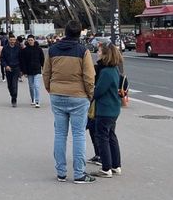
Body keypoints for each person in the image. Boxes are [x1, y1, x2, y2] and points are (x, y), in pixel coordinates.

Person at [43, 19, 96, 183]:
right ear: (79, 33)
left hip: (57, 94)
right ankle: (79, 173)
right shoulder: (83, 51)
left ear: (64, 32)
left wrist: (50, 89)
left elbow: (46, 73)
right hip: (78, 96)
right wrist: (90, 94)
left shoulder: (52, 50)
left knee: (60, 134)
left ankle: (61, 172)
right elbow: (89, 77)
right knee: (79, 135)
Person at [91, 42, 124, 177]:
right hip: (113, 108)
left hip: (105, 109)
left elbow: (99, 92)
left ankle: (106, 168)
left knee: (102, 138)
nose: (97, 53)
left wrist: (92, 91)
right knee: (111, 136)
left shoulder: (105, 72)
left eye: (99, 51)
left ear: (105, 54)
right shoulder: (115, 69)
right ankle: (116, 165)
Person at [20, 34, 45, 106]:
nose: (30, 41)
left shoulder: (39, 49)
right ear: (27, 41)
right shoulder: (24, 50)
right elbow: (23, 61)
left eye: (31, 40)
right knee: (31, 86)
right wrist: (24, 71)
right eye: (29, 40)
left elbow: (42, 59)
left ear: (34, 40)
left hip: (37, 69)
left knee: (37, 86)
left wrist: (43, 67)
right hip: (29, 71)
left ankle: (37, 101)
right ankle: (33, 99)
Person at [1, 34, 22, 107]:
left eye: (14, 40)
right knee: (9, 85)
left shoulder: (18, 48)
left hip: (16, 68)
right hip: (8, 68)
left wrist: (21, 69)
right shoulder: (5, 48)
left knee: (14, 84)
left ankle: (14, 99)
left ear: (15, 40)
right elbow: (2, 58)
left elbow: (21, 59)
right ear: (9, 40)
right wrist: (6, 66)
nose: (12, 41)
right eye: (11, 40)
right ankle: (12, 94)